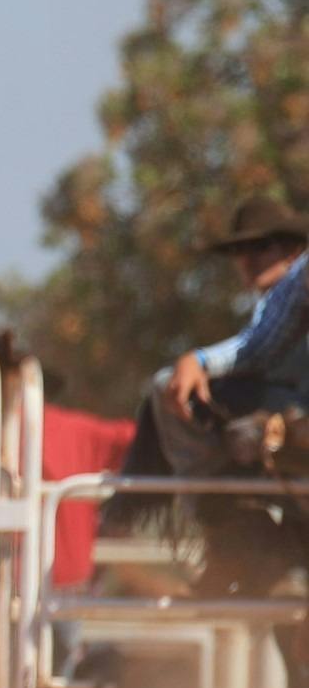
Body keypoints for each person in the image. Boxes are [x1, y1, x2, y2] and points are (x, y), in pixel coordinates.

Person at [118, 197, 309, 495]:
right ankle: (219, 509)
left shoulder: (291, 290)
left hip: (292, 411)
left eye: (259, 247)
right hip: (289, 416)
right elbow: (259, 346)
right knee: (169, 386)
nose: (246, 259)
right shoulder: (294, 290)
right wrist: (200, 360)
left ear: (292, 251)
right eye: (238, 251)